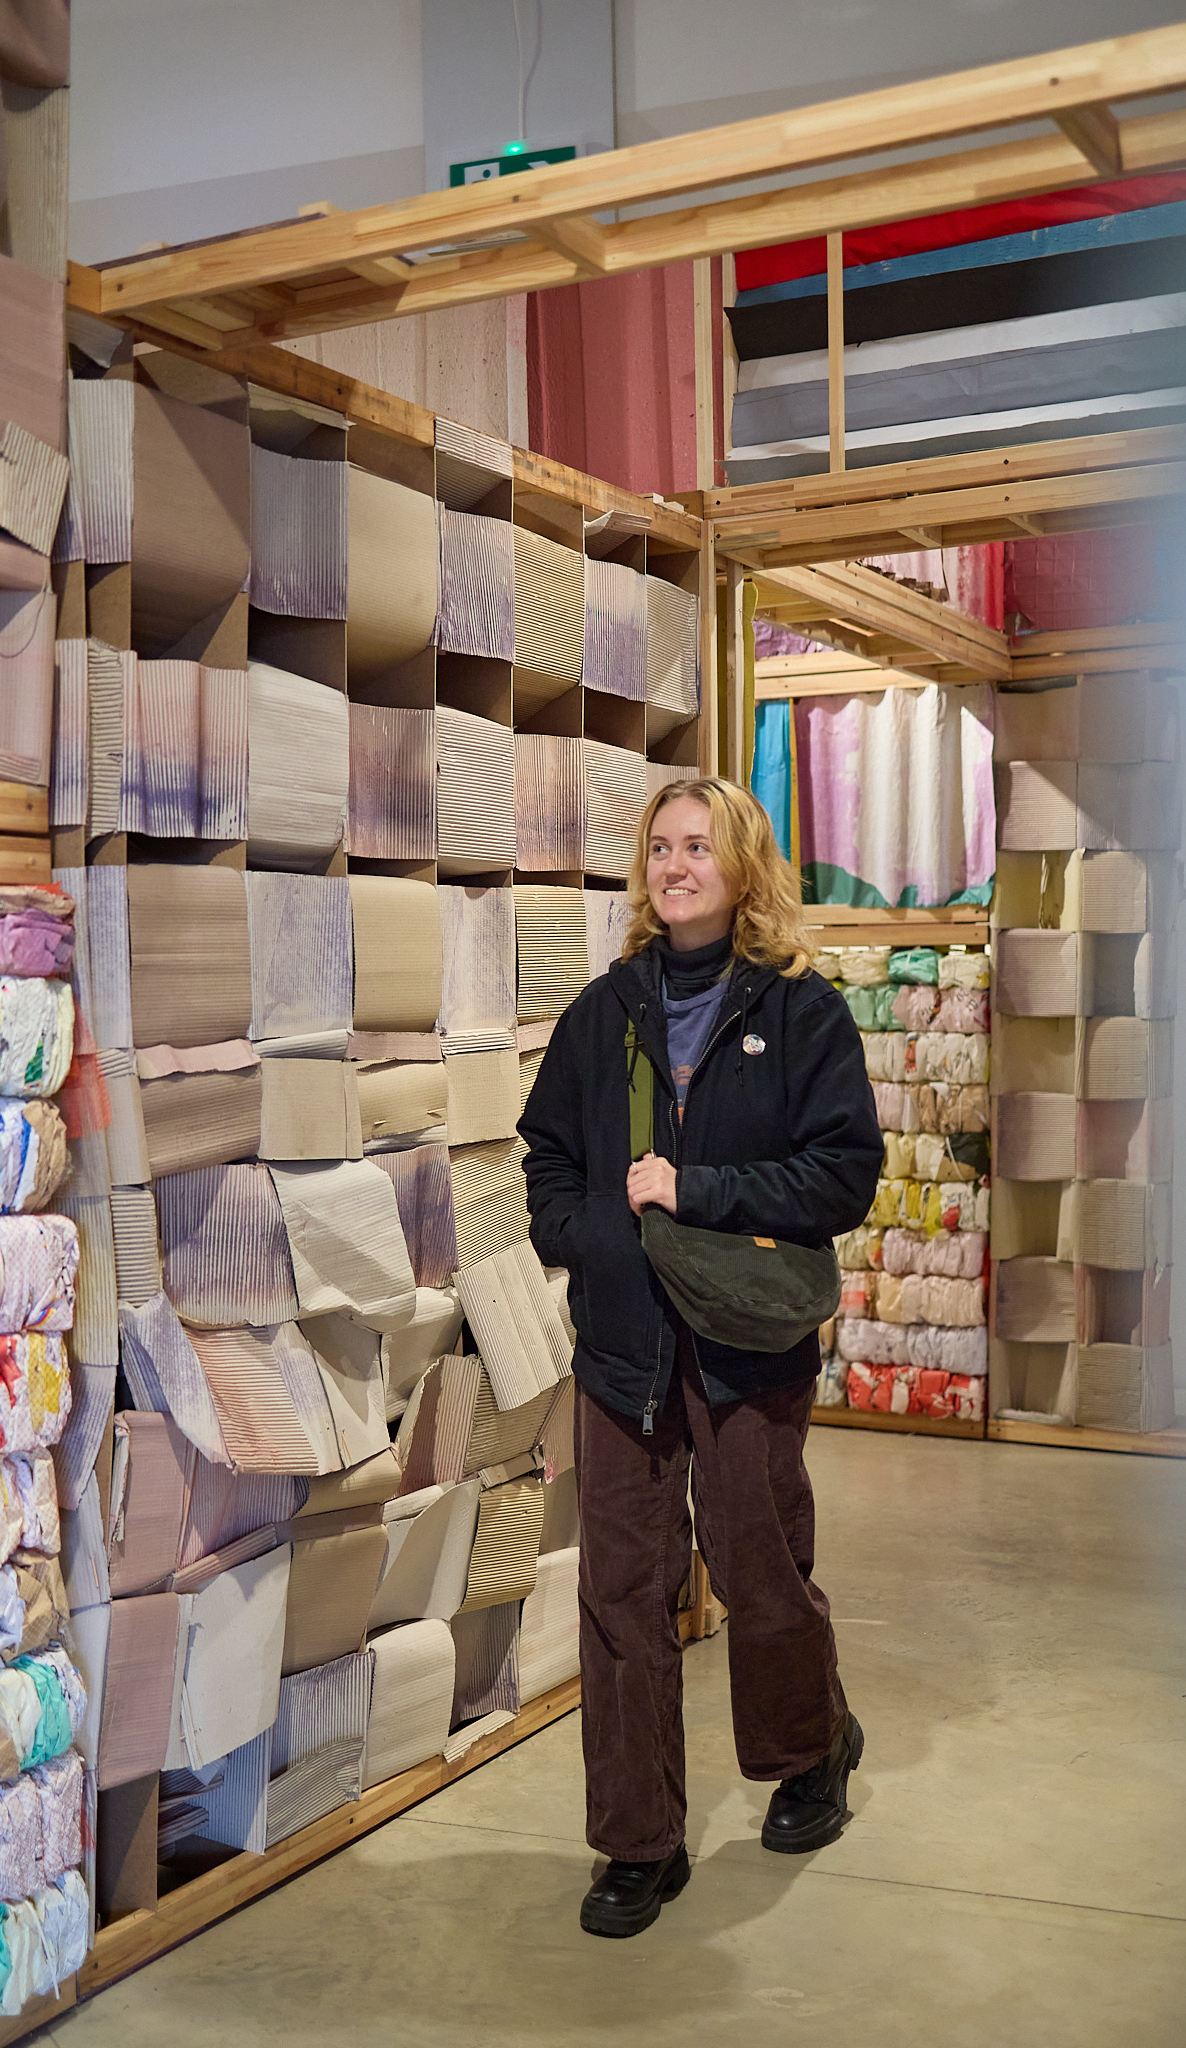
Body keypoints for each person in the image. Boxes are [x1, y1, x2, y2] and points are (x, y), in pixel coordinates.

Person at [518, 777, 885, 1939]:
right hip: (624, 1347)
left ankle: (811, 1747)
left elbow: (844, 1172)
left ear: (742, 866)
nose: (676, 865)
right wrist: (596, 1242)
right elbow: (546, 1156)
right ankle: (639, 1841)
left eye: (699, 846)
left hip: (745, 1343)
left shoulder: (799, 1009)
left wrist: (699, 1193)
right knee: (621, 1589)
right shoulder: (604, 1011)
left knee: (757, 1560)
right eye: (661, 846)